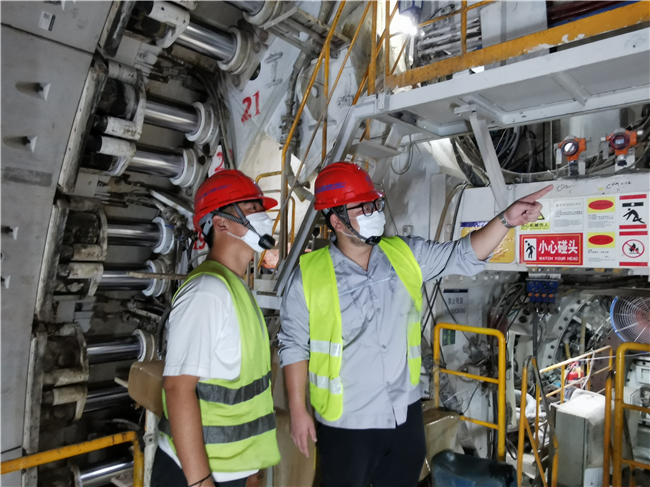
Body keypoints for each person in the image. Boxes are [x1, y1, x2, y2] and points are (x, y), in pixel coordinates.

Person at [278, 162, 551, 487]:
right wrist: (298, 410)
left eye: (374, 204)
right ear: (336, 221)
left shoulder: (403, 254)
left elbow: (463, 254)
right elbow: (293, 345)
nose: (373, 212)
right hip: (348, 422)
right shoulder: (308, 277)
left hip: (405, 416)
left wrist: (506, 220)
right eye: (362, 207)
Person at [152, 170, 281, 487]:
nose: (264, 217)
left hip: (231, 469)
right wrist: (200, 481)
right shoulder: (207, 291)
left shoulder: (235, 287)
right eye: (252, 208)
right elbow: (178, 389)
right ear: (221, 223)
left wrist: (252, 468)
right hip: (196, 475)